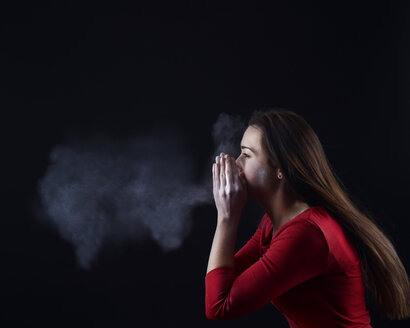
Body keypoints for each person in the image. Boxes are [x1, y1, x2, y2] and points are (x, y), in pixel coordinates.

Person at [205, 109, 410, 327]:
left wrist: (227, 216)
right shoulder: (273, 224)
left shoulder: (307, 234)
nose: (237, 163)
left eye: (246, 155)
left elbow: (219, 306)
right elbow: (224, 280)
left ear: (281, 169)